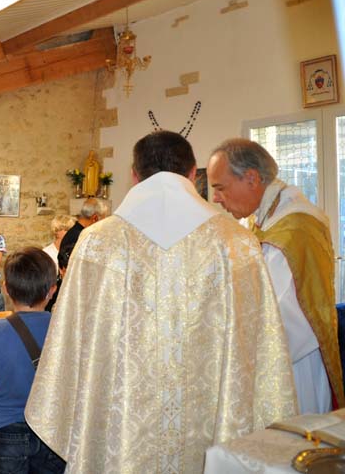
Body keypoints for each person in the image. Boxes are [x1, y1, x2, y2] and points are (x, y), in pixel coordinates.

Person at [26, 131, 296, 473]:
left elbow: (69, 347)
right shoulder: (237, 244)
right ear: (193, 173)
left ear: (134, 175)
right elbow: (262, 352)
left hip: (121, 441)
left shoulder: (97, 243)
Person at [208, 138, 344, 413]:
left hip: (294, 367)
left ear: (251, 178)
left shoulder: (294, 229)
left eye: (220, 188)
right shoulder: (268, 219)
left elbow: (287, 317)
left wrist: (239, 357)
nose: (216, 198)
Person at [0, 248, 66, 474]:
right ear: (52, 289)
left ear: (6, 289)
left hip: (6, 433)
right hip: (52, 433)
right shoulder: (63, 329)